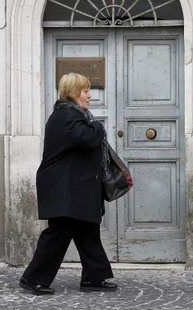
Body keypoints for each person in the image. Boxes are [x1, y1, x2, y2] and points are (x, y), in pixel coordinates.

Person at [19, 73, 117, 295]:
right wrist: (99, 127)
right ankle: (32, 278)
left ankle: (94, 277)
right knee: (58, 233)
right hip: (64, 187)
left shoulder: (72, 114)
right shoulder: (66, 115)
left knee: (87, 231)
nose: (89, 96)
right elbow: (87, 138)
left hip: (73, 185)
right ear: (73, 94)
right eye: (85, 91)